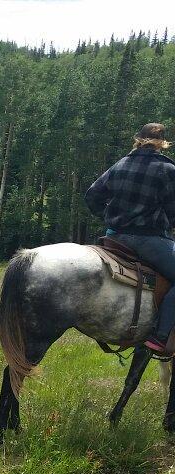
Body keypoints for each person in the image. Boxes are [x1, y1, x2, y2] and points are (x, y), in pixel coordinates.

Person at [86, 122, 175, 353]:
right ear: (162, 144)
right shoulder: (167, 170)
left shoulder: (121, 164)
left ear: (138, 139)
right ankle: (160, 336)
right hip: (147, 240)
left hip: (114, 237)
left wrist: (110, 216)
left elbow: (92, 197)